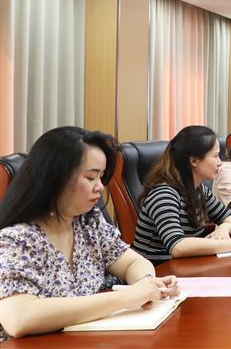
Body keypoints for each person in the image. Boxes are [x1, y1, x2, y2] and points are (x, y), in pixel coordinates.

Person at [0, 127, 179, 341]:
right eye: (90, 177)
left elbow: (133, 262)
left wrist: (146, 284)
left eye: (101, 177)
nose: (100, 187)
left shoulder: (87, 222)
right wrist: (127, 297)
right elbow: (19, 318)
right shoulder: (17, 239)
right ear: (55, 178)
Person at [133, 126, 231, 263]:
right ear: (194, 161)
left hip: (187, 265)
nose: (220, 163)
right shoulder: (164, 194)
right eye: (216, 156)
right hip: (158, 270)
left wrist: (223, 229)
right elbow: (178, 246)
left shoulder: (199, 189)